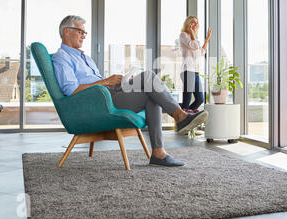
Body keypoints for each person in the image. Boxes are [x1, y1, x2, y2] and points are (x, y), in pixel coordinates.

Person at [52, 15, 208, 167]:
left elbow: (96, 83)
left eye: (84, 33)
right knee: (148, 79)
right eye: (80, 32)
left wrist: (117, 82)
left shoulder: (85, 58)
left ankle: (159, 152)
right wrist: (106, 81)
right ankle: (179, 117)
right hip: (98, 104)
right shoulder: (62, 57)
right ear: (66, 31)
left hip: (109, 93)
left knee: (149, 85)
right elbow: (71, 90)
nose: (83, 36)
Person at [179, 16, 211, 113]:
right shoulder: (183, 35)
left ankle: (185, 115)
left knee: (200, 98)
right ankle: (183, 117)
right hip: (188, 70)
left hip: (195, 71)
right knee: (187, 98)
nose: (195, 24)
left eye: (196, 23)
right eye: (193, 22)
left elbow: (201, 52)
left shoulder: (195, 39)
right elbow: (194, 45)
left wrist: (207, 39)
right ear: (188, 23)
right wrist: (192, 34)